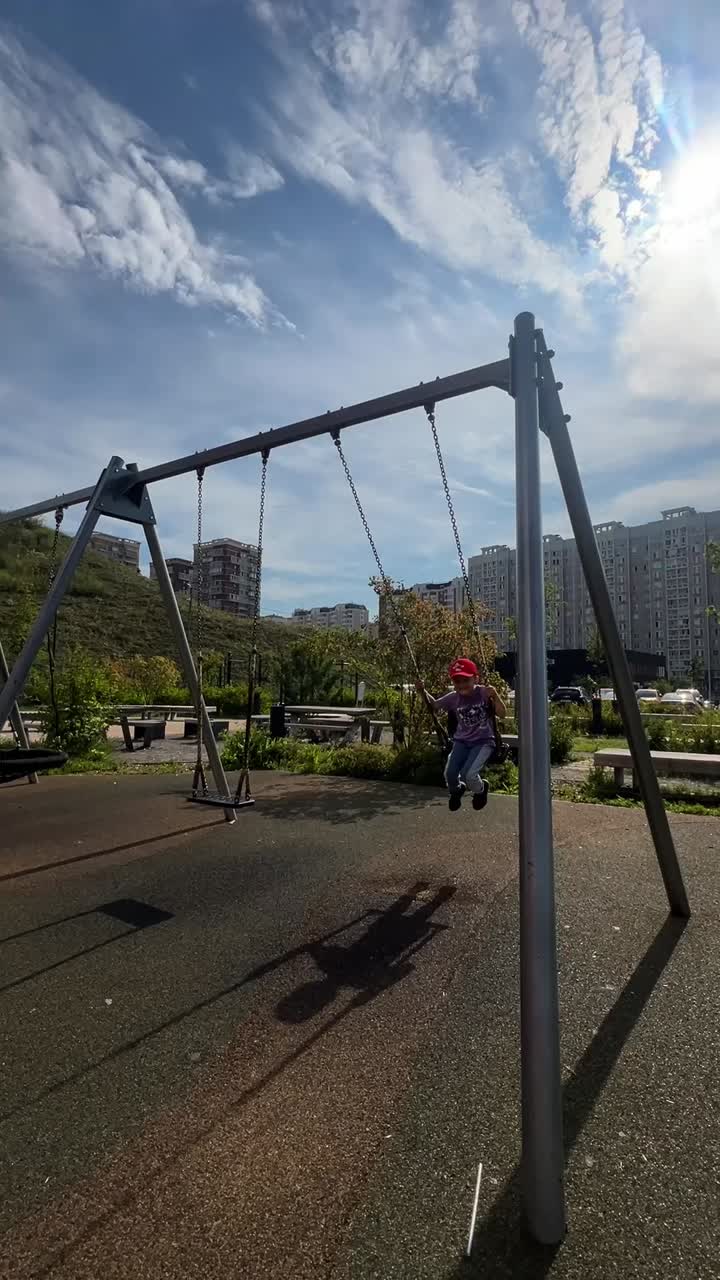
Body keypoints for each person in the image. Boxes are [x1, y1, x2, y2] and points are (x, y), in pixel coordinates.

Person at [417, 658, 506, 812]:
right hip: (462, 742)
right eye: (457, 681)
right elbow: (434, 706)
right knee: (450, 774)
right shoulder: (453, 697)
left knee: (468, 774)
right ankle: (457, 790)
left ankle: (480, 789)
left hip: (483, 741)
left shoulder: (484, 693)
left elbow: (503, 714)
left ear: (475, 678)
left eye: (466, 680)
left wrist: (495, 695)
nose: (461, 684)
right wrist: (422, 691)